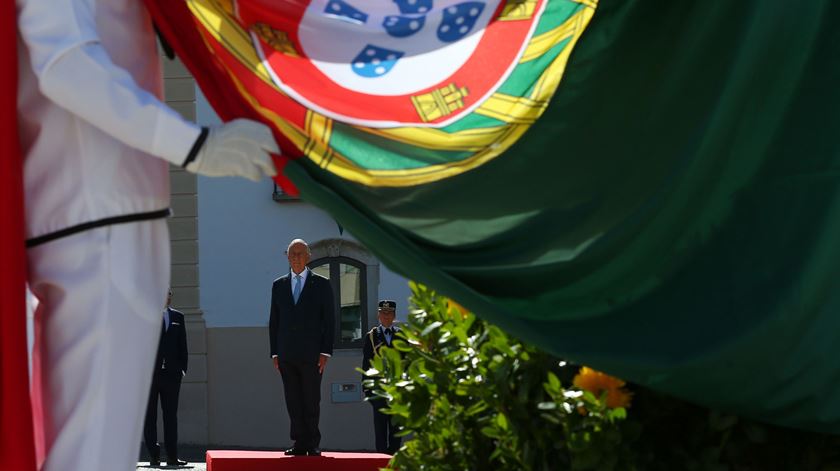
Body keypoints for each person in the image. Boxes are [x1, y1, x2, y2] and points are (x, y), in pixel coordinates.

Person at [16, 1, 279, 469]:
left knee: (98, 450)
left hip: (111, 214)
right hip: (96, 217)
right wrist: (192, 145)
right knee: (91, 454)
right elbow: (65, 63)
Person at [268, 239, 335, 456]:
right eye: (292, 254)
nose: (296, 257)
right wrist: (275, 352)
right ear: (287, 257)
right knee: (293, 399)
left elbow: (330, 320)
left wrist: (325, 351)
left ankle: (312, 443)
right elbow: (274, 321)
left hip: (312, 353)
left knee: (311, 399)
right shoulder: (278, 285)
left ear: (308, 257)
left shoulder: (322, 284)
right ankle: (298, 442)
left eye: (300, 253)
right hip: (286, 353)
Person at [144, 289, 189, 467]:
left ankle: (172, 456)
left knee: (171, 416)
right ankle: (154, 456)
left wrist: (182, 369)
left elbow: (182, 345)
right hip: (150, 376)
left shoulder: (178, 317)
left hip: (172, 375)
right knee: (150, 417)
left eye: (169, 293)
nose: (166, 297)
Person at [361, 300, 403, 455]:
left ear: (394, 315)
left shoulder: (401, 335)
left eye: (389, 313)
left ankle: (394, 460)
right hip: (378, 388)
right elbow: (366, 363)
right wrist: (367, 387)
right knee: (380, 427)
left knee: (396, 427)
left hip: (397, 388)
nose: (386, 316)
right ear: (378, 315)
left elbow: (408, 361)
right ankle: (380, 460)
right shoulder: (372, 336)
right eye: (383, 313)